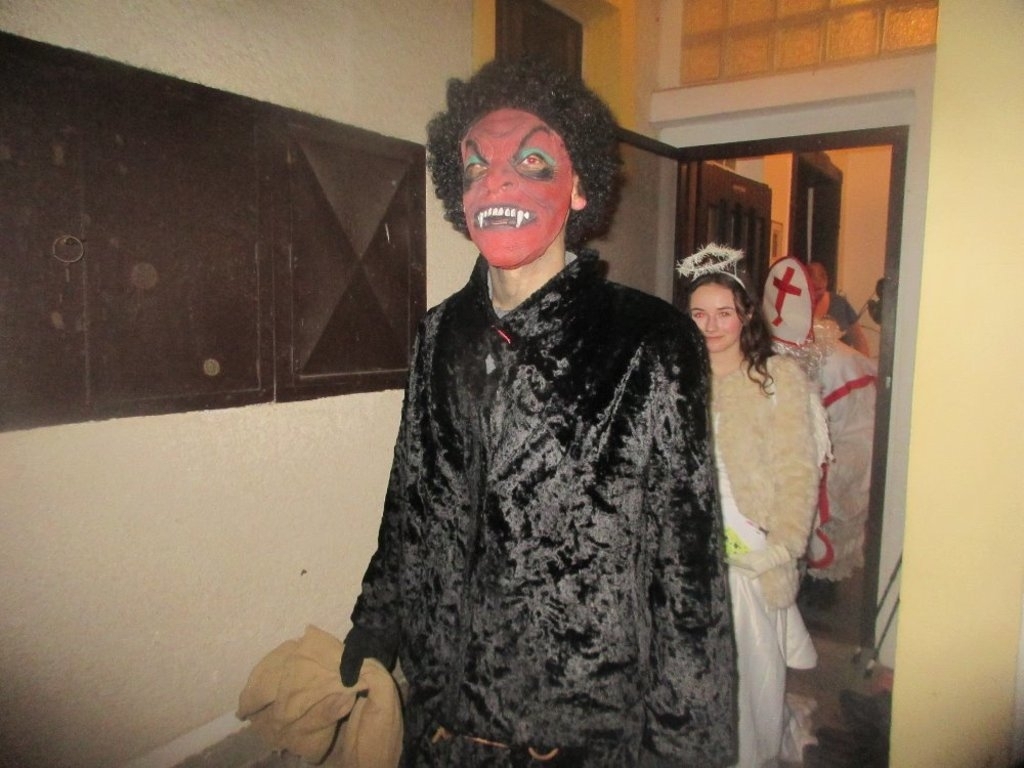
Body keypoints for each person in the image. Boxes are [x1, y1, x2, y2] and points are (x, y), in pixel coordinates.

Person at [340, 58, 737, 766]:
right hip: (439, 721)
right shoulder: (439, 333)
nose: (495, 182)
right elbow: (409, 501)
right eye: (476, 166)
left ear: (579, 185)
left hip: (574, 737)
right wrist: (376, 623)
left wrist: (684, 748)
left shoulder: (651, 340)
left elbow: (687, 575)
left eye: (529, 161)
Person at [680, 244, 826, 768]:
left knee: (749, 663)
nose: (711, 326)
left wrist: (781, 547)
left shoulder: (777, 378)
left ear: (745, 315)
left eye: (723, 313)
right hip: (688, 539)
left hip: (753, 538)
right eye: (699, 314)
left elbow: (797, 470)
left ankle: (750, 752)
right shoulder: (677, 378)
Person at [762, 256, 877, 599]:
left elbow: (858, 427)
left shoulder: (838, 361)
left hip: (831, 451)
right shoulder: (761, 354)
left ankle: (818, 585)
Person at [807, 261, 870, 356]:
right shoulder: (799, 305)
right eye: (812, 289)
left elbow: (858, 338)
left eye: (819, 289)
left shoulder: (839, 303)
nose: (815, 294)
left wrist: (863, 361)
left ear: (826, 282)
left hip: (841, 360)